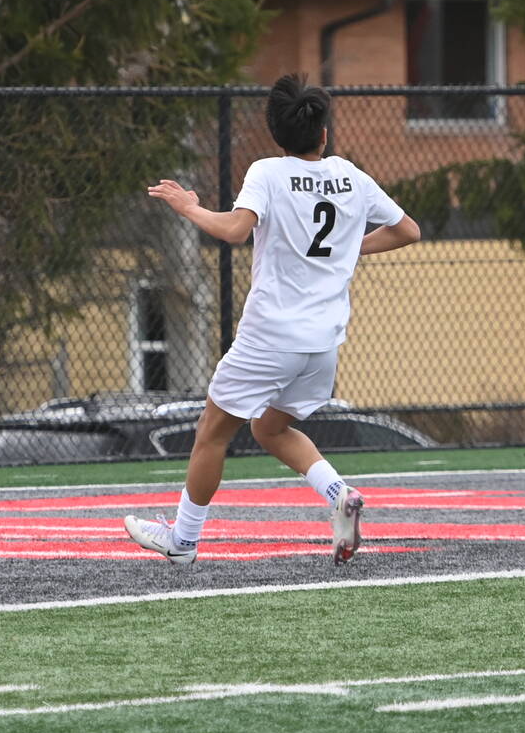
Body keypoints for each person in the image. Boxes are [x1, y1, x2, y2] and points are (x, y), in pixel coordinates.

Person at [124, 75, 421, 566]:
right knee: (270, 429)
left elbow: (235, 230)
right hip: (323, 345)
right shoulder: (351, 175)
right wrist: (348, 251)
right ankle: (339, 495)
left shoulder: (268, 172)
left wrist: (190, 207)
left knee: (211, 434)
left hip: (269, 338)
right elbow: (408, 230)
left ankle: (182, 540)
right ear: (323, 133)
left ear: (277, 136)